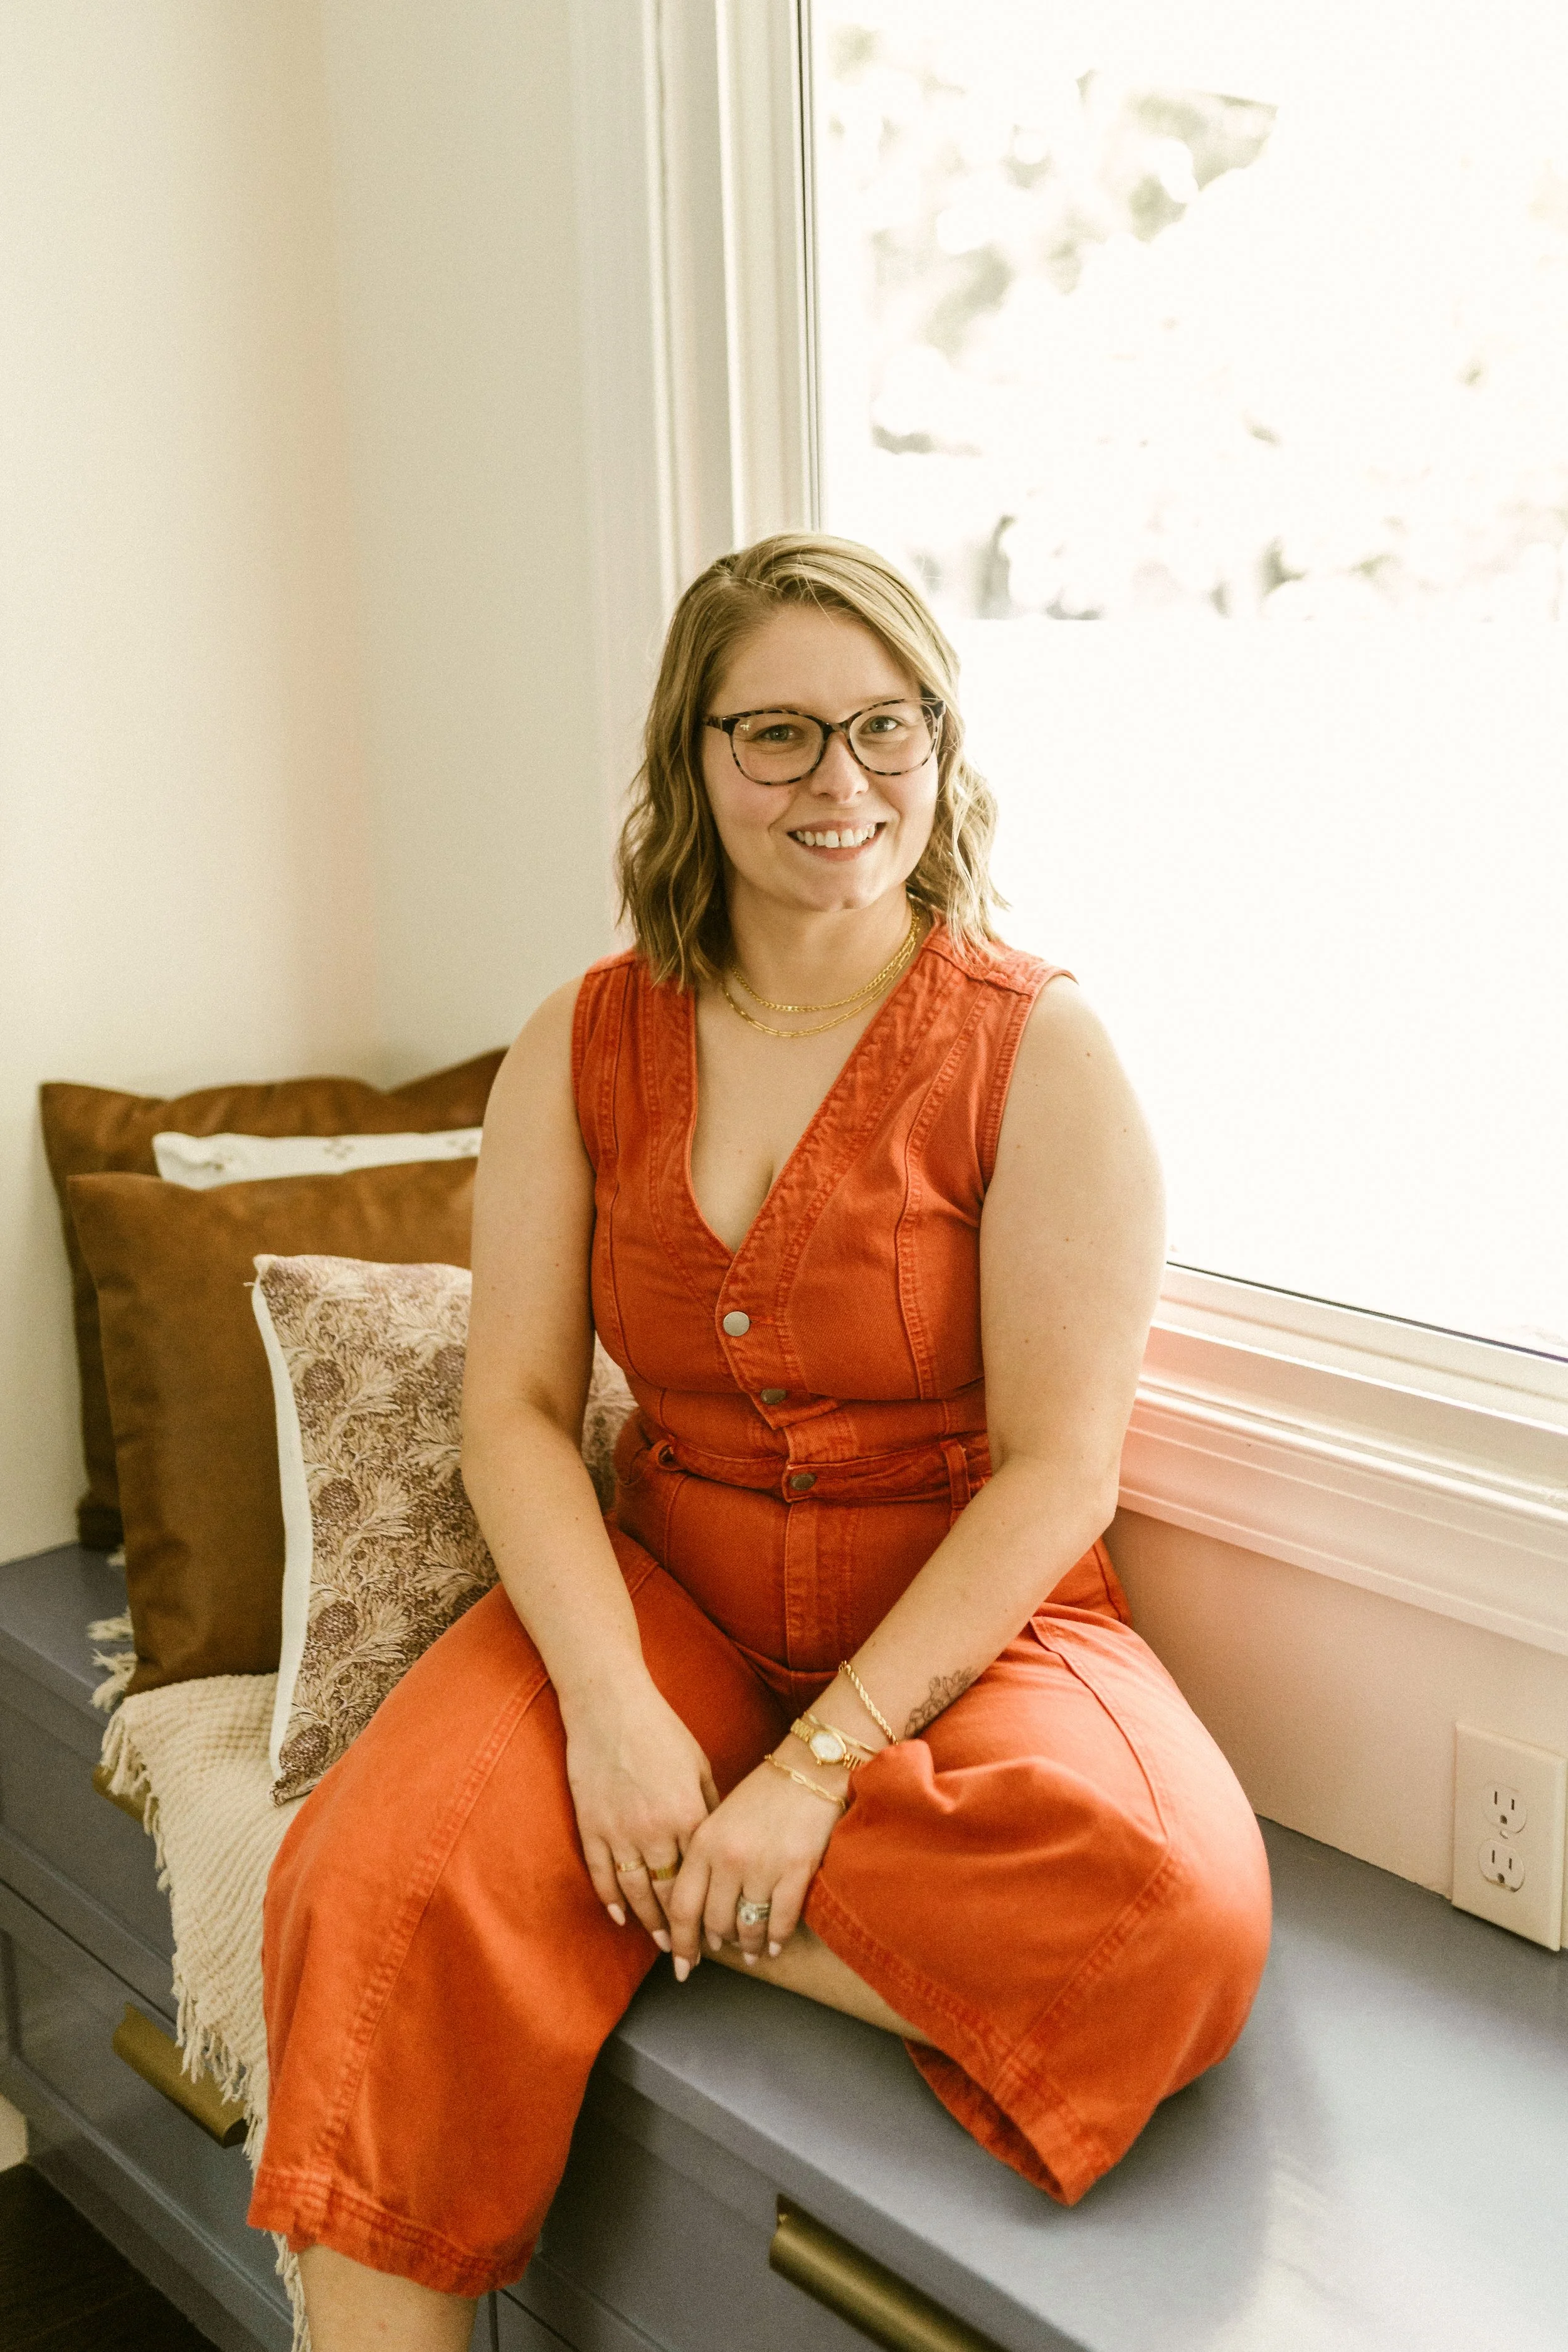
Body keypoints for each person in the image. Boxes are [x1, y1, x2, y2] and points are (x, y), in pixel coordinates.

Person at [250, 533, 1272, 2349]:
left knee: (1172, 1922)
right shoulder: (580, 1036)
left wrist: (810, 1773)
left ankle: (617, 1896)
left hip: (959, 1619)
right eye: (778, 734)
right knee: (366, 1883)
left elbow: (1057, 1470)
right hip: (667, 1584)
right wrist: (618, 1716)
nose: (840, 782)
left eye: (888, 728)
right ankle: (617, 1866)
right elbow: (515, 1409)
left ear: (943, 750)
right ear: (691, 758)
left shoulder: (1041, 1049)